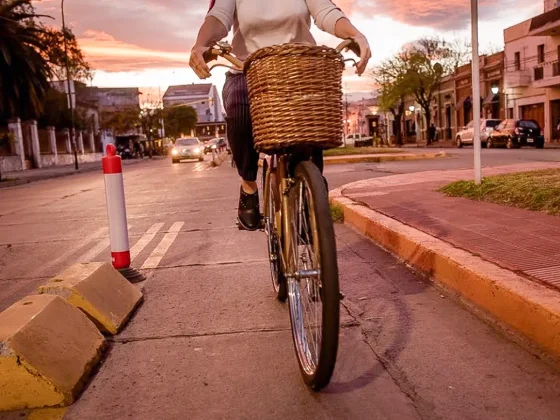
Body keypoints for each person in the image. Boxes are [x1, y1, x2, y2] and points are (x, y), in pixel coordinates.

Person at [190, 0, 371, 230]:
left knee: (311, 110)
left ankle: (310, 184)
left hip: (298, 69)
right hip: (249, 69)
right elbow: (218, 17)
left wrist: (356, 34)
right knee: (238, 108)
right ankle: (248, 185)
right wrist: (200, 44)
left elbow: (326, 12)